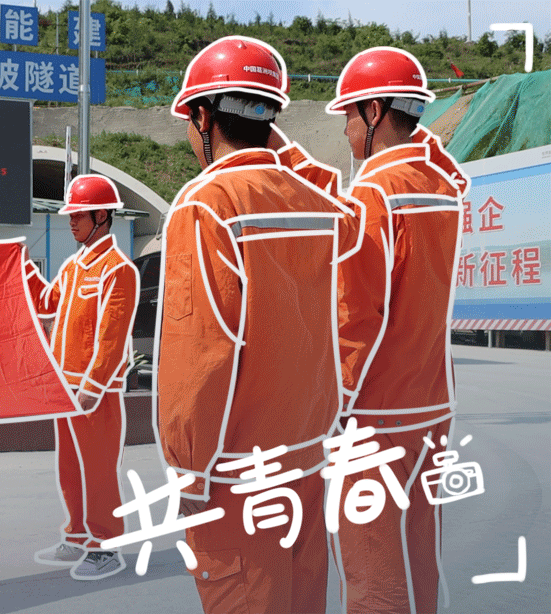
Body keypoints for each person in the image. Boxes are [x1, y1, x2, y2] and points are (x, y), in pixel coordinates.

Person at [156, 36, 361, 613]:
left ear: (203, 117)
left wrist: (190, 471)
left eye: (191, 119)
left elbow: (201, 353)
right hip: (306, 458)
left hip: (237, 472)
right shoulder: (314, 205)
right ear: (270, 118)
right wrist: (280, 151)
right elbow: (346, 224)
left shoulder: (207, 204)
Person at [325, 46, 469, 614]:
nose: (344, 129)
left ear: (375, 111)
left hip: (376, 413)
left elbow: (355, 315)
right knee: (417, 553)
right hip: (431, 403)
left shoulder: (372, 193)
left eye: (349, 114)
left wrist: (332, 407)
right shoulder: (440, 186)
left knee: (373, 569)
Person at [24, 173, 140, 581]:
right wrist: (22, 268)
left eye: (79, 215)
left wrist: (93, 387)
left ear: (102, 217)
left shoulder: (118, 270)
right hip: (65, 388)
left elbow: (112, 337)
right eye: (70, 215)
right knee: (70, 468)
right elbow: (46, 303)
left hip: (94, 393)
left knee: (98, 470)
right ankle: (77, 535)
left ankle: (105, 545)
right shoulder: (73, 267)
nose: (71, 222)